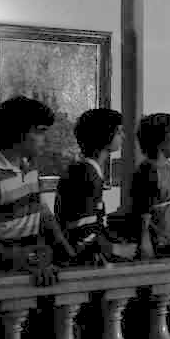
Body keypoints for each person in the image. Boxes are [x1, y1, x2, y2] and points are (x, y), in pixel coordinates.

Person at [0, 95, 74, 283]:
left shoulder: (29, 168)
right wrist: (24, 260)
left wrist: (69, 253)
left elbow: (43, 215)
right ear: (18, 132)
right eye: (40, 132)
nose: (44, 139)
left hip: (29, 271)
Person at [54, 107, 124, 266]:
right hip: (79, 259)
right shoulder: (86, 173)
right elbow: (81, 231)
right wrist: (114, 250)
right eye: (119, 132)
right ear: (105, 134)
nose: (123, 136)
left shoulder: (87, 169)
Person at [132, 112, 170, 260]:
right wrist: (145, 242)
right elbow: (144, 209)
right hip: (160, 242)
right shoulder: (149, 170)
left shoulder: (169, 166)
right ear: (159, 140)